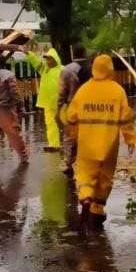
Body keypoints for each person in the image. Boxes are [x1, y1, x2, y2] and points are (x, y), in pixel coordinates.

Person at [65, 54, 135, 226]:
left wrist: (73, 135)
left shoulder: (84, 90)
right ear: (111, 69)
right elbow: (126, 117)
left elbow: (71, 116)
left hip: (87, 143)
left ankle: (86, 197)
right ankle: (97, 210)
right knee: (105, 177)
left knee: (85, 174)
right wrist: (130, 138)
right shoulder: (117, 90)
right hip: (109, 144)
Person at [57, 44, 92, 176]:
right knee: (89, 134)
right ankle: (89, 163)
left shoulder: (67, 70)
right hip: (90, 107)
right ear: (84, 53)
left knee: (70, 137)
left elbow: (62, 91)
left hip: (73, 107)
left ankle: (69, 164)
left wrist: (58, 108)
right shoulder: (92, 68)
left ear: (74, 54)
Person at [27, 47, 63, 151]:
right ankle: (54, 144)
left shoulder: (63, 70)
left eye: (50, 59)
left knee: (67, 122)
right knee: (50, 123)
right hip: (48, 103)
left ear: (56, 59)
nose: (48, 61)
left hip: (61, 102)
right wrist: (28, 53)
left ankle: (73, 142)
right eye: (47, 59)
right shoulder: (44, 69)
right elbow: (35, 62)